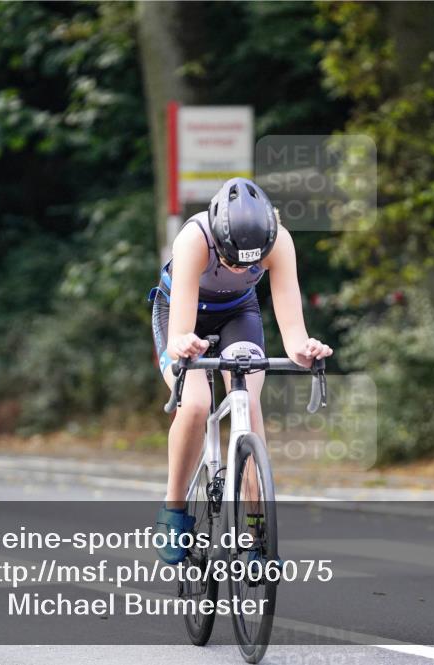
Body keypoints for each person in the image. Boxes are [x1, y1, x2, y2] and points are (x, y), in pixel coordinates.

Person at [149, 177, 332, 564]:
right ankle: (174, 509)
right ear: (218, 239)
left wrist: (306, 349)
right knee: (196, 403)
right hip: (182, 315)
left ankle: (256, 532)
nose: (237, 268)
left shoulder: (279, 240)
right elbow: (181, 329)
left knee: (248, 404)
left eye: (249, 264)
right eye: (230, 260)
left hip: (238, 314)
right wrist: (184, 343)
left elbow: (292, 329)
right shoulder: (193, 240)